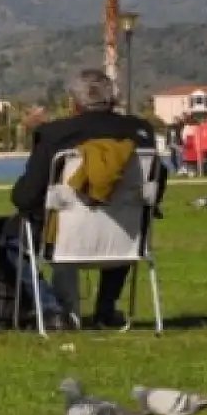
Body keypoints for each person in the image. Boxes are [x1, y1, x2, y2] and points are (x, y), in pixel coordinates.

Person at [10, 67, 162, 330]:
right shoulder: (140, 132)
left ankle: (53, 309)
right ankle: (105, 308)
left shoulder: (54, 135)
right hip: (125, 237)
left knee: (7, 237)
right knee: (120, 211)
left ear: (74, 103)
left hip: (63, 238)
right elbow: (156, 186)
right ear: (112, 99)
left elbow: (25, 197)